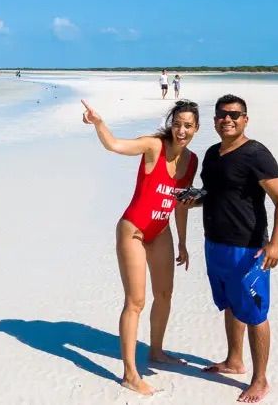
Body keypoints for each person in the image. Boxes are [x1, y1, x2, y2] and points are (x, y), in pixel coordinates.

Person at [81, 98, 200, 396]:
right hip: (133, 230)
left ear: (196, 128)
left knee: (165, 294)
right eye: (177, 124)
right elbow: (115, 145)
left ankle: (157, 352)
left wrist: (183, 241)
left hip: (161, 231)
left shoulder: (192, 160)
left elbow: (181, 203)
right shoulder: (153, 146)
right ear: (170, 124)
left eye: (188, 125)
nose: (181, 130)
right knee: (135, 301)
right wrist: (99, 123)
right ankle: (130, 374)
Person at [189, 94, 278, 403]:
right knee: (230, 304)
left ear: (245, 119)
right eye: (222, 115)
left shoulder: (256, 154)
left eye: (235, 114)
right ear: (215, 120)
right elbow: (214, 192)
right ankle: (234, 361)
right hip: (215, 243)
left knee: (255, 313)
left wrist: (275, 243)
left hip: (247, 249)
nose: (228, 119)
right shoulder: (211, 154)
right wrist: (193, 199)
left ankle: (260, 379)